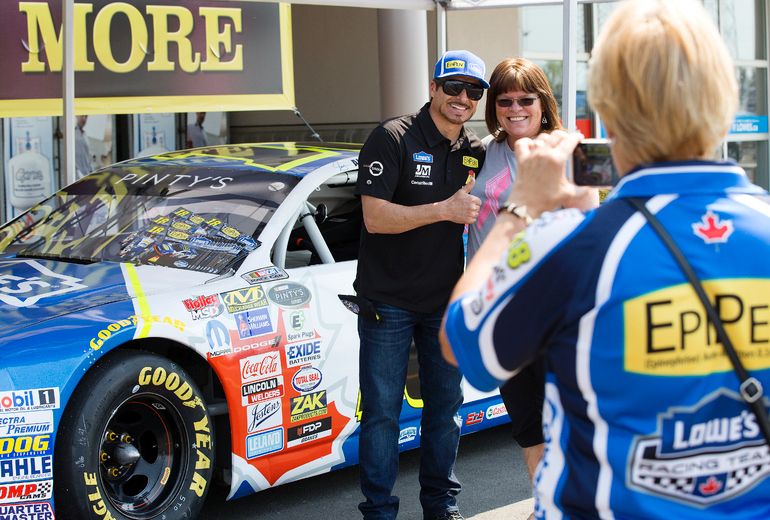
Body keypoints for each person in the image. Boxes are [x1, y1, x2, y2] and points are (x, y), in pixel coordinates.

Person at [441, 0, 770, 518]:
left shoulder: (574, 244)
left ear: (608, 110)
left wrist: (519, 210)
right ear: (725, 95)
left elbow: (462, 342)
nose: (514, 108)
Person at [354, 49, 488, 520]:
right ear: (433, 88)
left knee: (445, 413)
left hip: (443, 304)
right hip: (386, 302)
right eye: (454, 87)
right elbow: (374, 219)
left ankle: (441, 507)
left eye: (474, 91)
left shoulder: (474, 150)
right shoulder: (393, 137)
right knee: (382, 415)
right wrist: (444, 211)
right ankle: (378, 512)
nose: (463, 98)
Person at [467, 58, 564, 485]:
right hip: (497, 306)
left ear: (543, 102)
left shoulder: (574, 148)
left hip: (556, 308)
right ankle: (543, 501)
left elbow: (596, 223)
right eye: (504, 100)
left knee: (566, 411)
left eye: (526, 99)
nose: (515, 108)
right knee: (525, 414)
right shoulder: (479, 151)